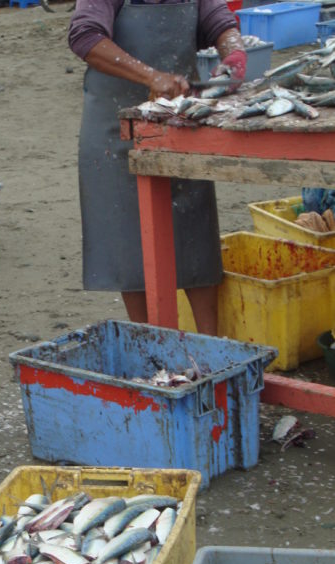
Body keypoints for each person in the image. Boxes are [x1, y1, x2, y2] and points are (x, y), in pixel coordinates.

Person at [68, 0, 247, 335]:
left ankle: (210, 344)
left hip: (178, 122)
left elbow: (219, 21)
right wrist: (151, 76)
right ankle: (153, 343)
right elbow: (84, 36)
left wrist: (233, 54)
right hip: (116, 127)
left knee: (195, 235)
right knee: (128, 240)